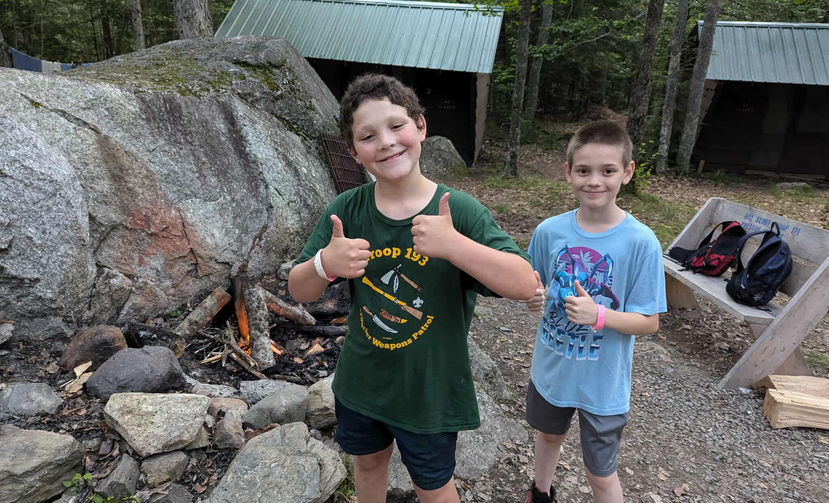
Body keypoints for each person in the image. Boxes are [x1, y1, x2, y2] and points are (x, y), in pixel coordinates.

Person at [288, 73, 537, 503]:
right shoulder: (347, 210)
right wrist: (325, 263)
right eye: (368, 136)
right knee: (368, 465)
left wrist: (454, 245)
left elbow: (524, 282)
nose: (386, 142)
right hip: (361, 383)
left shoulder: (459, 211)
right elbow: (299, 290)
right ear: (353, 151)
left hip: (430, 392)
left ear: (421, 126)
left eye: (396, 125)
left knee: (434, 487)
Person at [524, 121, 667, 503]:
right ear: (568, 172)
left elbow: (649, 322)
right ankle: (540, 493)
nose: (594, 181)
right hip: (552, 371)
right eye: (584, 170)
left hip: (603, 384)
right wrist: (534, 298)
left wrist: (598, 315)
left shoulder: (642, 243)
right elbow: (536, 285)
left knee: (600, 474)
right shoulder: (548, 232)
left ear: (627, 172)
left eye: (607, 171)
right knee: (549, 435)